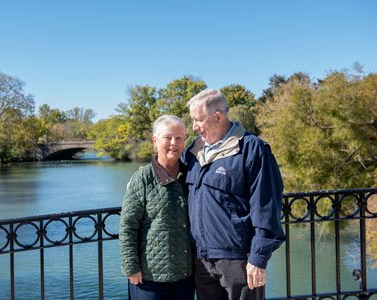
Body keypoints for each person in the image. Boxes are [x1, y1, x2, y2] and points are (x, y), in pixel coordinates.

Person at [182, 89, 285, 300]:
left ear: (218, 117)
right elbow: (169, 167)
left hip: (239, 260)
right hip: (202, 259)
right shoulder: (194, 151)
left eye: (198, 120)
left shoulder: (251, 149)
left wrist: (258, 258)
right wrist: (143, 178)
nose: (194, 127)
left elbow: (266, 205)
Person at [119, 115, 194, 300]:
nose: (173, 143)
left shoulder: (191, 175)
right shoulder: (143, 178)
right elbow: (128, 226)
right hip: (149, 279)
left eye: (179, 138)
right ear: (155, 140)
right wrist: (131, 267)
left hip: (185, 277)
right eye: (168, 137)